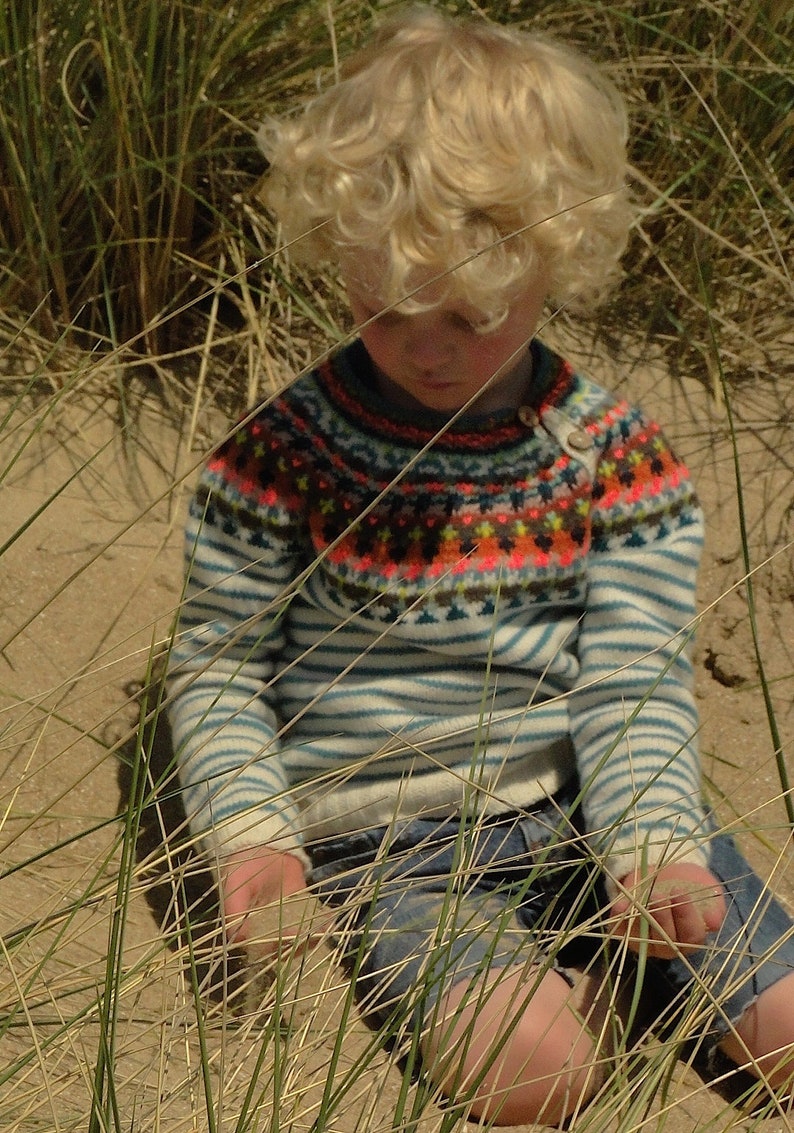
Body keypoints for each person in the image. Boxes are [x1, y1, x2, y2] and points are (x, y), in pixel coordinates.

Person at [165, 6, 794, 1124]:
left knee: (784, 1039)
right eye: (382, 302)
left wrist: (653, 849)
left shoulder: (612, 457)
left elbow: (633, 674)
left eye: (471, 310)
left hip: (590, 806)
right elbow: (216, 660)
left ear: (558, 255)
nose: (423, 345)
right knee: (532, 1076)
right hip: (390, 852)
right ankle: (592, 1005)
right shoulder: (276, 459)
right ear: (335, 250)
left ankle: (640, 965)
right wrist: (254, 838)